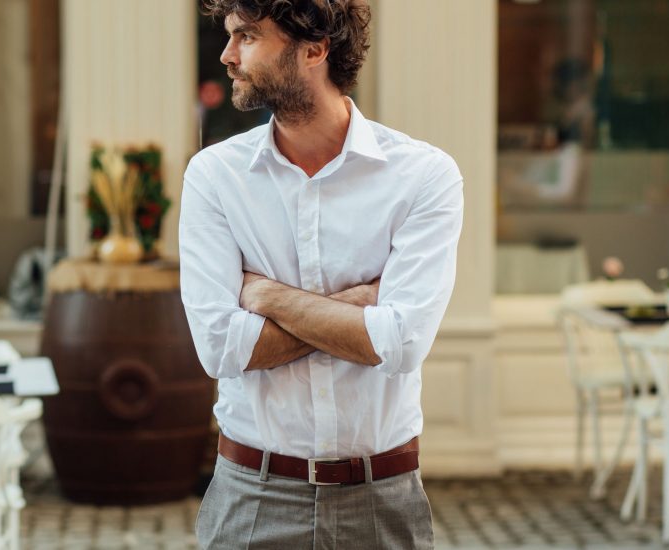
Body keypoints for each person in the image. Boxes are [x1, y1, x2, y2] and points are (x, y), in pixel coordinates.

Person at [178, 1, 464, 548]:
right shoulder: (215, 178)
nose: (228, 54)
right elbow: (220, 348)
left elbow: (401, 343)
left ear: (314, 49)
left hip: (382, 500)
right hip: (252, 498)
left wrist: (267, 296)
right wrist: (358, 307)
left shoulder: (423, 177)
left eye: (248, 37)